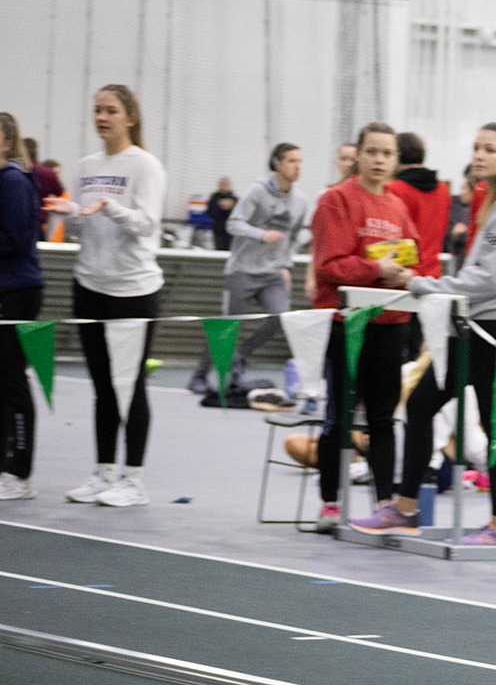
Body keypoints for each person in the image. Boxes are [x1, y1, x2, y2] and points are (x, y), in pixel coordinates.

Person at [352, 123, 496, 546]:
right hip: (472, 318)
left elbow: (493, 279)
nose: (479, 156)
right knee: (423, 404)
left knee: (495, 423)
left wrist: (423, 284)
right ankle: (405, 509)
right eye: (476, 147)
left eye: (490, 150)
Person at [46, 85, 166, 508]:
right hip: (89, 286)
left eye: (110, 110)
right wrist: (69, 215)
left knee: (129, 387)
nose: (102, 117)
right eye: (97, 110)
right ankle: (103, 473)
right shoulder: (87, 164)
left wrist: (107, 207)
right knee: (101, 386)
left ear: (130, 117)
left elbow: (147, 224)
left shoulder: (146, 165)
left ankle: (134, 480)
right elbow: (84, 223)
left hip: (133, 289)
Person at [305, 124, 420, 531]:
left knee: (383, 419)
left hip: (390, 324)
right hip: (346, 325)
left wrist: (404, 273)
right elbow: (329, 265)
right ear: (358, 156)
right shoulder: (335, 200)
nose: (379, 160)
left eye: (387, 154)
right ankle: (330, 503)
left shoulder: (399, 207)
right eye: (372, 151)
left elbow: (413, 258)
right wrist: (376, 268)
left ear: (395, 160)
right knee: (338, 416)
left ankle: (385, 503)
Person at [189, 143, 310, 395]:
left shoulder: (300, 201)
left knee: (280, 318)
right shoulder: (257, 191)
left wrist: (286, 264)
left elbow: (296, 236)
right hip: (243, 271)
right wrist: (261, 234)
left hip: (272, 273)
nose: (297, 166)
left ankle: (241, 354)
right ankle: (199, 376)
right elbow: (233, 224)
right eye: (291, 161)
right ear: (277, 164)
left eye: (299, 161)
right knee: (228, 326)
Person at [0, 112, 43, 499]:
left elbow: (13, 240)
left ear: (7, 143)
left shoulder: (12, 181)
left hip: (17, 291)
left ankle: (20, 471)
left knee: (12, 379)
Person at [387, 133, 452, 278]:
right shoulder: (442, 189)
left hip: (402, 274)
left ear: (397, 156)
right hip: (432, 273)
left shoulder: (394, 189)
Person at [206, 176, 237, 250]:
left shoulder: (235, 199)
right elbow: (210, 212)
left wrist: (230, 207)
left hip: (231, 230)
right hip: (219, 230)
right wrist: (220, 206)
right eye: (223, 184)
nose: (224, 186)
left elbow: (239, 215)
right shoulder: (214, 198)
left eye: (226, 184)